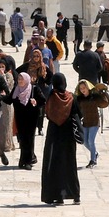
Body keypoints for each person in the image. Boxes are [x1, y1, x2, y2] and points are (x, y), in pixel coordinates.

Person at [39, 73, 81, 205]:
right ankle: (75, 195)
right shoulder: (72, 97)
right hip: (68, 135)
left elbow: (48, 113)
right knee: (70, 164)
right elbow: (79, 114)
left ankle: (58, 196)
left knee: (55, 164)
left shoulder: (52, 96)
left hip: (54, 134)